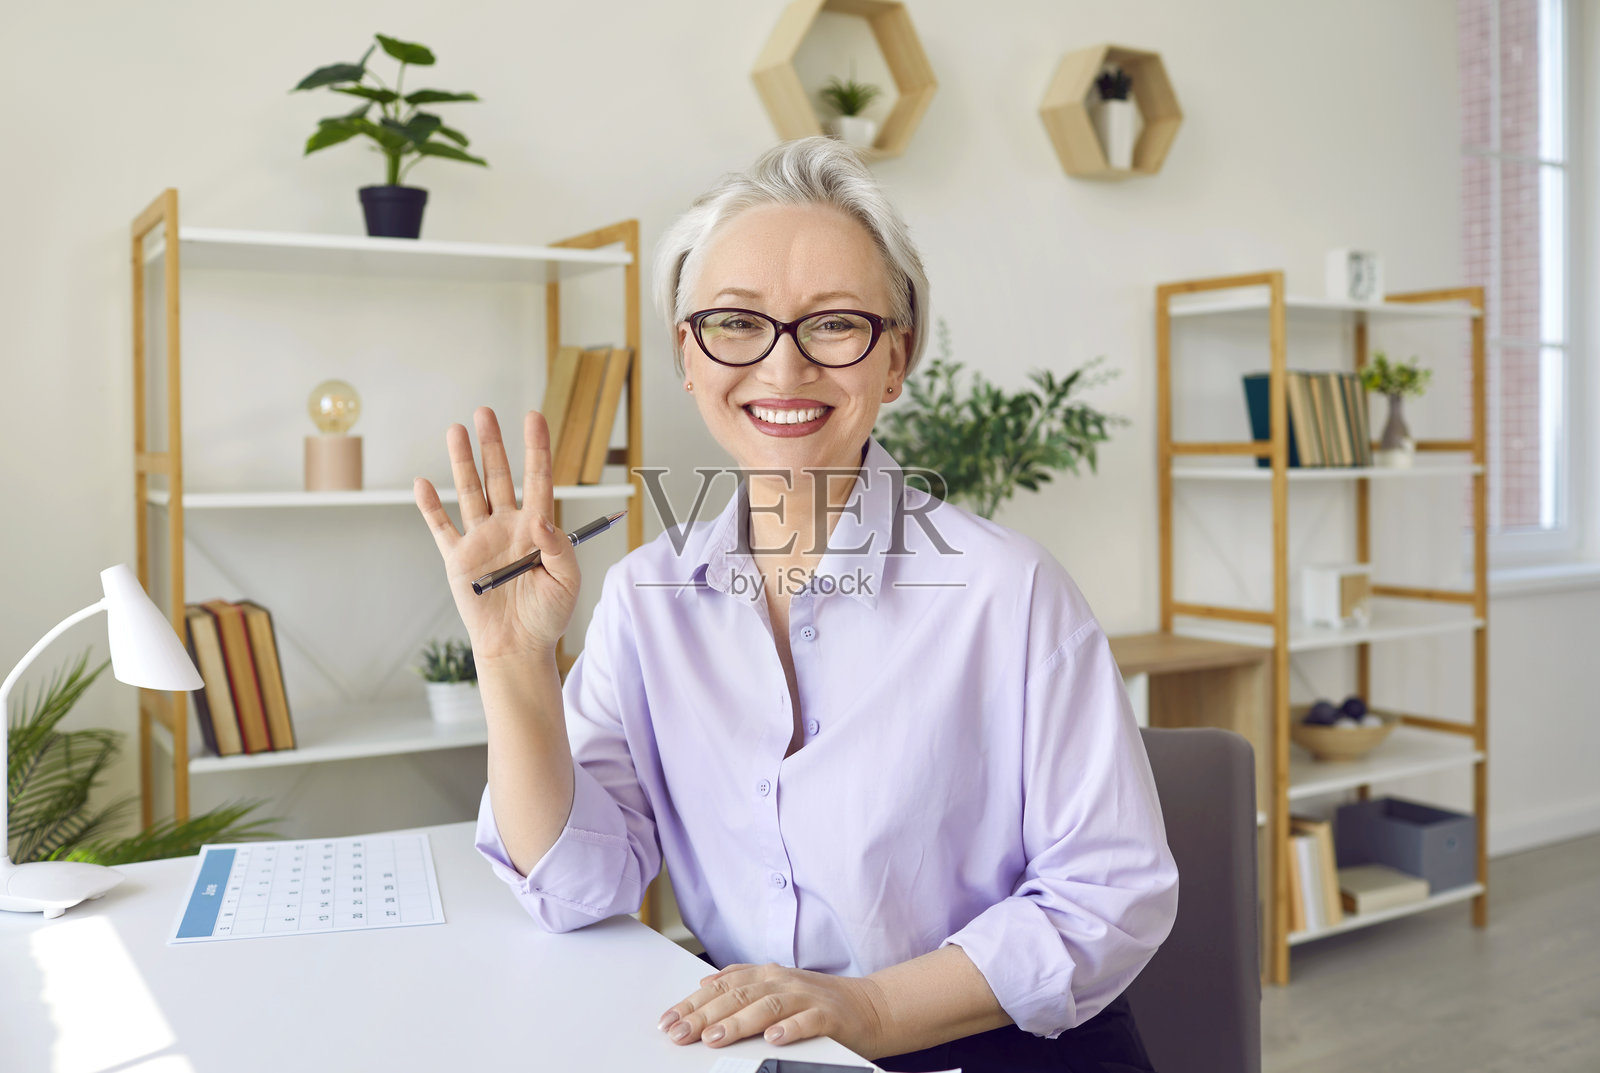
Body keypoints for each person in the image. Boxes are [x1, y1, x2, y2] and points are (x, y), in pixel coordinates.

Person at [412, 136, 1178, 1073]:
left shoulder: (1010, 592)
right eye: (735, 322)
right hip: (764, 1047)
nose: (782, 368)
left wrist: (867, 1006)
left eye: (833, 324)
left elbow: (1109, 894)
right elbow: (576, 888)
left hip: (995, 1048)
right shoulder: (646, 600)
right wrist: (514, 660)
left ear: (894, 360)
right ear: (689, 359)